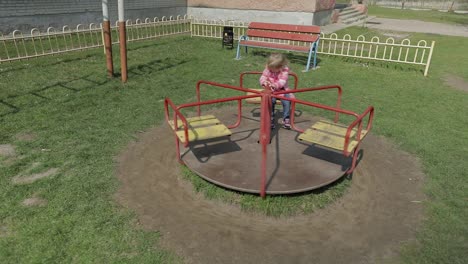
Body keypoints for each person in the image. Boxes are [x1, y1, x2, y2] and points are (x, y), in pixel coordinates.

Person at [259, 53, 295, 129]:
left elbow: (282, 82)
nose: (271, 70)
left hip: (282, 90)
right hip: (271, 91)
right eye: (270, 67)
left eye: (273, 68)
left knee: (287, 101)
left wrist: (274, 85)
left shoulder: (284, 71)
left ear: (280, 67)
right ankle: (270, 118)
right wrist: (264, 82)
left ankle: (286, 119)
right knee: (271, 101)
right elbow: (263, 77)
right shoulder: (268, 69)